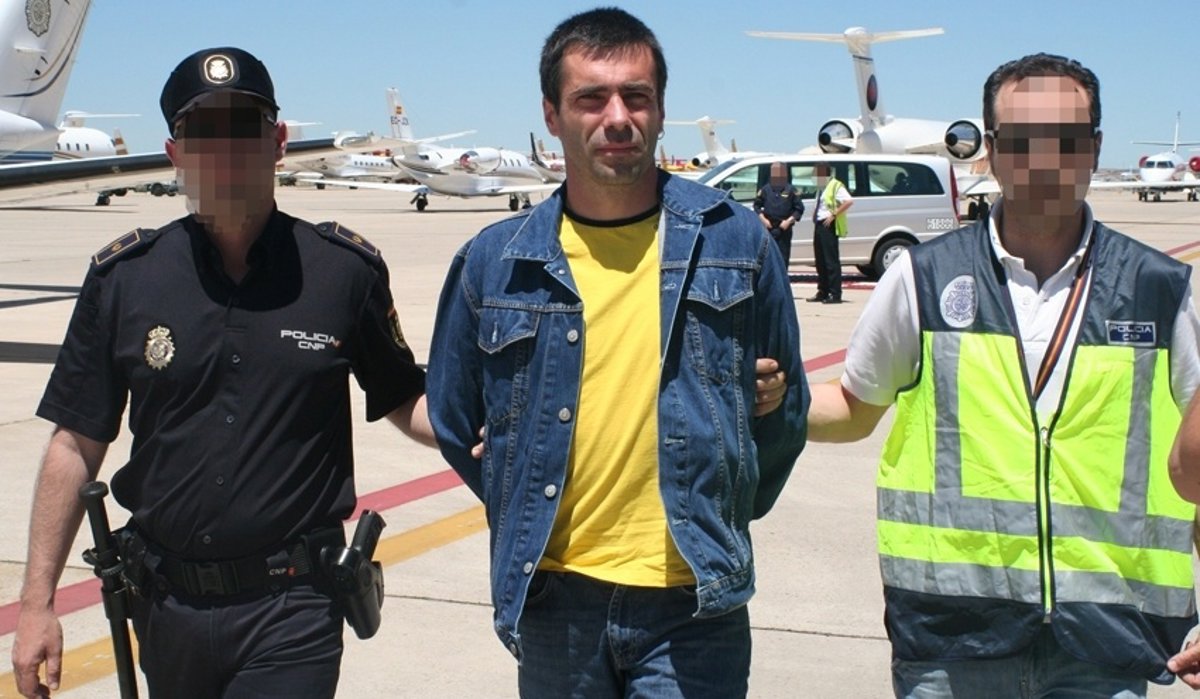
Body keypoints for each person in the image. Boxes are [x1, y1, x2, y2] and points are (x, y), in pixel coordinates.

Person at [10, 47, 435, 699]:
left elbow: (404, 396)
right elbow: (75, 442)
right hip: (165, 608)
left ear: (278, 141)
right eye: (202, 132)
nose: (225, 149)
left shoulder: (342, 272)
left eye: (244, 126)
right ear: (175, 153)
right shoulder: (126, 279)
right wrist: (37, 603)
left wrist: (482, 427)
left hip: (292, 608)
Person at [426, 8, 808, 698]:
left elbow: (786, 417)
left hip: (693, 600)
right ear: (552, 114)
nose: (618, 117)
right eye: (590, 98)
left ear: (660, 111)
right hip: (554, 598)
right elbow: (456, 418)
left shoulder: (735, 241)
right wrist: (519, 488)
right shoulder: (495, 260)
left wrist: (725, 504)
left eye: (637, 96)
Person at [807, 53, 1200, 696]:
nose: (1044, 161)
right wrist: (749, 395)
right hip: (952, 638)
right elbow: (853, 407)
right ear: (991, 149)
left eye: (1065, 140)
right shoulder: (923, 278)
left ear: (1095, 148)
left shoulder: (1157, 289)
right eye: (1021, 141)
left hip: (1108, 644)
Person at [808, 161, 852, 304]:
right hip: (819, 224)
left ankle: (835, 293)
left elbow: (848, 201)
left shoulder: (835, 185)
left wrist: (834, 215)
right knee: (820, 260)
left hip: (829, 225)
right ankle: (823, 291)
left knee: (830, 260)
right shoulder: (822, 187)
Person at [753, 161, 804, 270]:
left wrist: (789, 221)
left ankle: (782, 278)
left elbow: (799, 209)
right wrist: (763, 220)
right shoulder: (765, 189)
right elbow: (756, 206)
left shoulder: (790, 190)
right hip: (769, 228)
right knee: (768, 257)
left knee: (783, 258)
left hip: (783, 229)